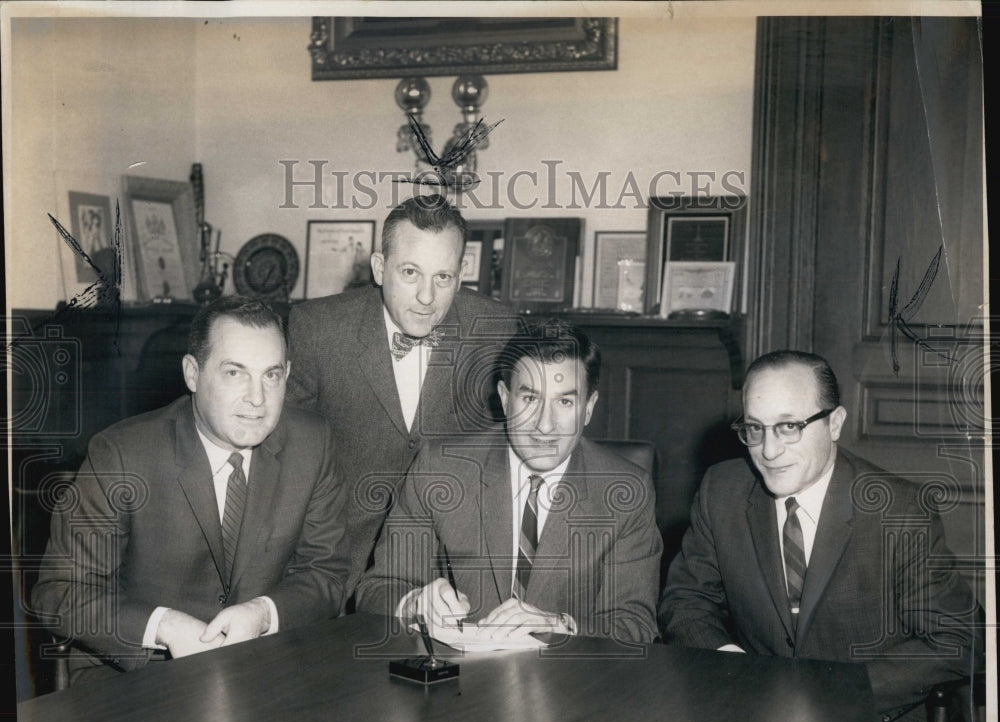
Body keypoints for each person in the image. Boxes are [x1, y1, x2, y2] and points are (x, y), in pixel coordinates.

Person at [658, 350, 980, 722]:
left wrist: (832, 692)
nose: (769, 451)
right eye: (755, 429)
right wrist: (734, 669)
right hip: (751, 716)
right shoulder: (723, 490)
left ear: (834, 423)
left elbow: (957, 638)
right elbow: (686, 601)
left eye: (789, 427)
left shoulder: (899, 510)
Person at [32, 296, 352, 683]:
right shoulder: (122, 455)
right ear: (192, 374)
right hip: (140, 678)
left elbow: (326, 574)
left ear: (287, 373)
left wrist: (264, 614)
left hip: (265, 668)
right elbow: (59, 591)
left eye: (271, 375)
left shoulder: (312, 442)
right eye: (235, 373)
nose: (257, 398)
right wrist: (162, 626)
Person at [356, 319, 662, 644]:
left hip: (568, 684)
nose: (545, 426)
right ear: (505, 399)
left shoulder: (628, 489)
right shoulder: (441, 470)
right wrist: (415, 603)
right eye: (530, 399)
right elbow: (376, 589)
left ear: (588, 408)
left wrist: (559, 624)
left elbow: (636, 624)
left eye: (565, 402)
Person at [286, 195, 517, 603]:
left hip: (451, 584)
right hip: (334, 570)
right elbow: (285, 459)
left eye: (443, 277)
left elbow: (507, 458)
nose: (427, 296)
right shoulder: (317, 328)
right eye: (410, 272)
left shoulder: (497, 330)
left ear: (462, 274)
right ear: (379, 268)